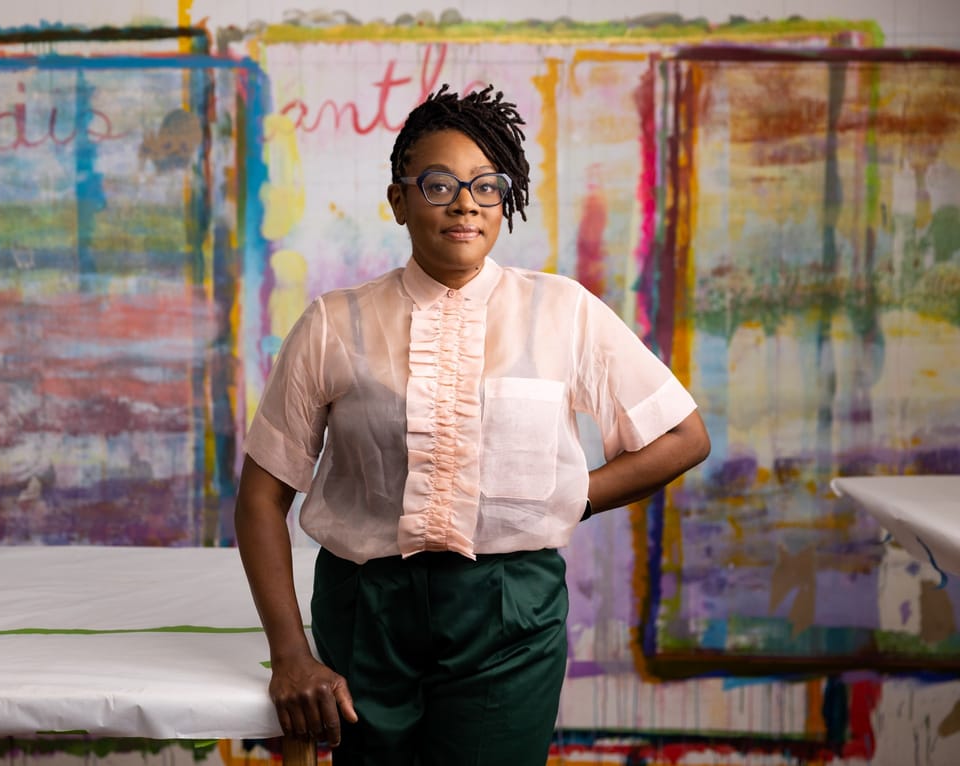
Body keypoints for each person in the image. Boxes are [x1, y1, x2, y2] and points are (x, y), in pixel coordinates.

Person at [235, 83, 711, 765]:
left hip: (510, 616)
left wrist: (566, 495)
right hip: (365, 613)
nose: (465, 203)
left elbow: (683, 437)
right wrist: (291, 657)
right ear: (398, 199)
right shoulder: (333, 324)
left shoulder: (561, 310)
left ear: (504, 201)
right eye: (439, 184)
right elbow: (261, 496)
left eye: (488, 186)